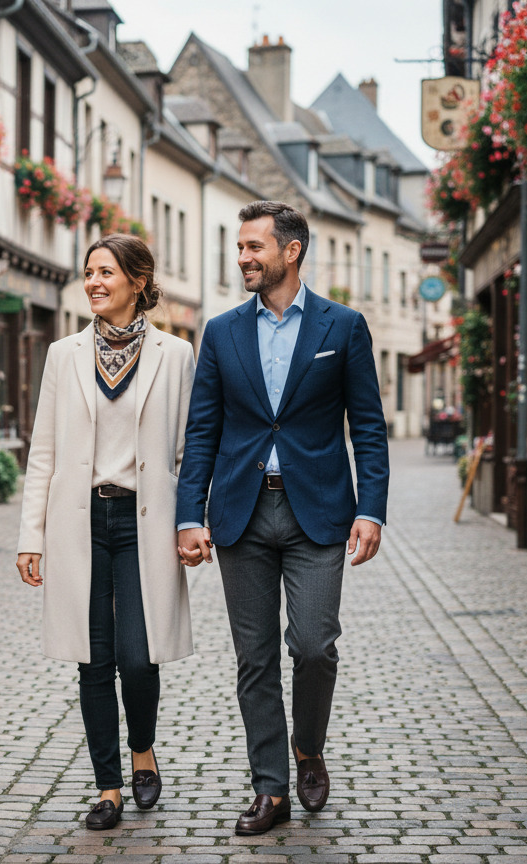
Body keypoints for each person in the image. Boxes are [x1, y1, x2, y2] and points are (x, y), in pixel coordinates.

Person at [176, 201, 389, 836]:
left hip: (318, 512)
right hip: (241, 512)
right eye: (239, 248)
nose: (242, 257)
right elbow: (202, 432)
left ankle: (309, 748)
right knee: (256, 658)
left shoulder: (343, 327)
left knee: (315, 645)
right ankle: (270, 789)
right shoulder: (221, 331)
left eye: (252, 247)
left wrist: (371, 508)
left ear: (290, 252)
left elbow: (369, 427)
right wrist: (190, 515)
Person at [16, 234, 195, 831]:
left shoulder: (175, 355)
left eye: (105, 273)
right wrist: (30, 536)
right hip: (80, 520)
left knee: (139, 657)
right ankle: (109, 785)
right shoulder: (63, 355)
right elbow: (43, 451)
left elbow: (190, 451)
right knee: (92, 660)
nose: (93, 282)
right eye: (88, 273)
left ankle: (143, 751)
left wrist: (195, 519)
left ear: (138, 282)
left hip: (145, 521)